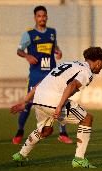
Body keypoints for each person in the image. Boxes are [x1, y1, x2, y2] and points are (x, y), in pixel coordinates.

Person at [10, 47, 102, 168]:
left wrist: (25, 101)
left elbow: (41, 82)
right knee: (87, 119)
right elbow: (72, 85)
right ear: (98, 62)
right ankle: (79, 159)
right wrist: (59, 106)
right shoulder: (86, 72)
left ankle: (21, 155)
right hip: (54, 100)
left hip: (39, 98)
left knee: (45, 131)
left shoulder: (68, 63)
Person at [13, 5, 73, 144]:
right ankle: (20, 130)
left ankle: (63, 133)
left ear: (47, 17)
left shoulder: (52, 32)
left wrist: (58, 51)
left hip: (52, 75)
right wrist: (27, 56)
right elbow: (19, 50)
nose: (42, 18)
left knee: (59, 102)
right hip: (36, 75)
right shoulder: (29, 34)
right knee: (27, 104)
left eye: (44, 16)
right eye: (39, 16)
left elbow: (55, 47)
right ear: (35, 18)